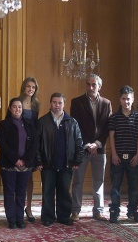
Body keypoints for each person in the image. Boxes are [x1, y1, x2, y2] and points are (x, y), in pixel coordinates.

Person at [70, 74, 112, 221]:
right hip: (82, 148)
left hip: (99, 149)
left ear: (99, 86)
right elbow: (75, 126)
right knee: (77, 181)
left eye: (94, 85)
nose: (91, 87)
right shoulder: (76, 102)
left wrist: (98, 143)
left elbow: (108, 127)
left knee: (98, 181)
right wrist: (88, 144)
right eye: (88, 84)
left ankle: (98, 211)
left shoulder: (106, 103)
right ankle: (75, 210)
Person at [37, 93, 83, 226]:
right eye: (54, 102)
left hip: (66, 164)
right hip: (47, 164)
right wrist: (38, 161)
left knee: (64, 191)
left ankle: (63, 216)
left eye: (60, 103)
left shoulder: (72, 122)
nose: (57, 105)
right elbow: (37, 144)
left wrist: (77, 161)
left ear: (64, 104)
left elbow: (79, 143)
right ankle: (47, 217)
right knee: (48, 191)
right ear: (50, 103)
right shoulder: (43, 121)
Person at [0, 98, 40, 229]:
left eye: (20, 107)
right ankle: (11, 219)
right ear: (10, 108)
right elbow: (3, 144)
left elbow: (34, 144)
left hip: (26, 165)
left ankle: (20, 218)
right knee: (10, 192)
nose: (17, 109)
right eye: (15, 107)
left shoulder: (29, 124)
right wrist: (16, 159)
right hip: (9, 164)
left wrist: (25, 160)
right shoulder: (4, 124)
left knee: (21, 192)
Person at [108, 85, 138, 224]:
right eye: (123, 99)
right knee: (115, 186)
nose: (126, 102)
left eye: (128, 99)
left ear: (133, 99)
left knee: (133, 186)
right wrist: (114, 154)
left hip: (133, 157)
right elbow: (111, 137)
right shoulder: (114, 117)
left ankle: (133, 211)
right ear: (120, 99)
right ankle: (115, 211)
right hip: (117, 156)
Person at [18, 77, 40, 222]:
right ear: (24, 87)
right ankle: (18, 207)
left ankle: (29, 207)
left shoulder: (36, 104)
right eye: (28, 86)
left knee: (30, 178)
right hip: (18, 142)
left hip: (30, 144)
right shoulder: (17, 102)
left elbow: (36, 126)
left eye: (33, 87)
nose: (30, 89)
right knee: (18, 177)